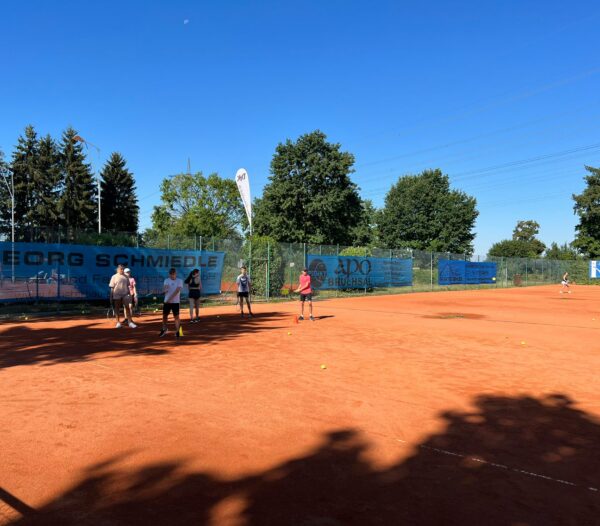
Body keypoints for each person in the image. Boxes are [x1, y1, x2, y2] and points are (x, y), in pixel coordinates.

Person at [108, 264, 137, 329]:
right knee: (117, 309)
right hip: (116, 295)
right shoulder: (114, 277)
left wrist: (129, 294)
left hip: (125, 295)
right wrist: (111, 296)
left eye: (123, 269)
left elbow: (128, 286)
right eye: (121, 269)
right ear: (117, 270)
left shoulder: (126, 277)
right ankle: (118, 323)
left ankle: (130, 323)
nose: (122, 270)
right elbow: (112, 288)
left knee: (127, 308)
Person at [160, 268, 183, 339]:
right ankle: (164, 329)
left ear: (176, 274)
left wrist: (169, 299)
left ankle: (178, 332)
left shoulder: (179, 281)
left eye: (173, 274)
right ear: (169, 274)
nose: (172, 275)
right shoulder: (166, 280)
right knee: (164, 316)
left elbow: (177, 291)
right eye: (171, 274)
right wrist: (164, 290)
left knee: (176, 317)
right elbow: (164, 289)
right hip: (167, 302)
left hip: (175, 302)